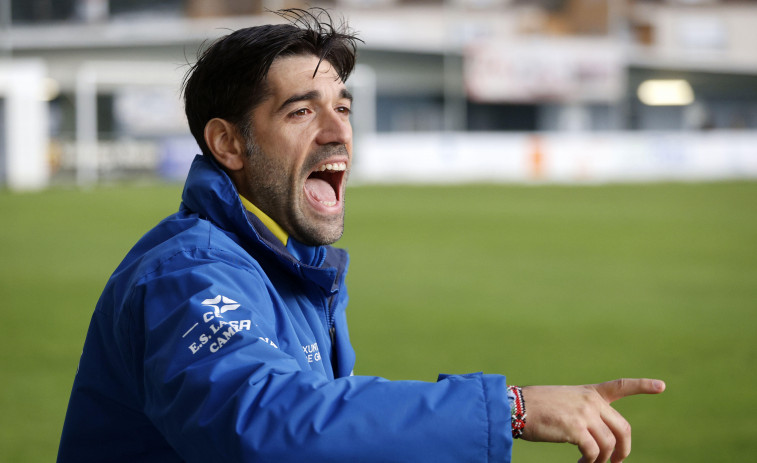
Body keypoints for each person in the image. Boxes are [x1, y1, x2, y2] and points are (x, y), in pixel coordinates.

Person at [57, 8, 665, 463]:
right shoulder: (189, 274)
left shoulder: (293, 265)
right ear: (228, 143)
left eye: (342, 108)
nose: (337, 132)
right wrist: (510, 407)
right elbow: (266, 425)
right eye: (301, 112)